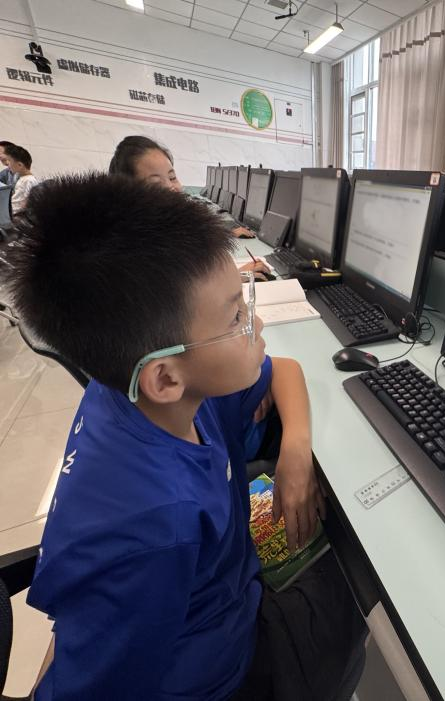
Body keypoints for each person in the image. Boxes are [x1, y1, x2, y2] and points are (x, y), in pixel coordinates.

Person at [6, 173, 365, 700]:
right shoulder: (155, 528)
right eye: (236, 316)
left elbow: (283, 369)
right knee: (360, 588)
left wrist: (295, 450)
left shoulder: (148, 391)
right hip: (224, 672)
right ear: (165, 377)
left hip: (212, 594)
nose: (257, 325)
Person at [109, 135, 257, 240]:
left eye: (172, 177)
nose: (170, 187)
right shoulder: (136, 245)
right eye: (156, 184)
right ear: (128, 194)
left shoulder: (168, 231)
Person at [5, 143, 37, 215]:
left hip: (15, 216)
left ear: (20, 165)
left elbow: (23, 205)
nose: (7, 164)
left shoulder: (29, 181)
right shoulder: (22, 178)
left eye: (9, 161)